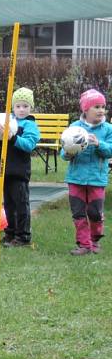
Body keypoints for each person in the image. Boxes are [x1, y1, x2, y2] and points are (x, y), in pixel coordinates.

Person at [0, 87, 40, 247]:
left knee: (20, 204)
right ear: (13, 107)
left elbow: (29, 145)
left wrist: (12, 137)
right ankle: (11, 233)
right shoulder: (6, 120)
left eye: (25, 106)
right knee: (8, 205)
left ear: (31, 107)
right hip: (5, 170)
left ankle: (23, 236)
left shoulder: (30, 125)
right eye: (18, 106)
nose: (21, 109)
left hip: (19, 172)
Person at [60, 88, 112, 256]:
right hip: (76, 178)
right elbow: (65, 151)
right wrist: (69, 152)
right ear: (85, 109)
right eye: (96, 107)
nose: (101, 110)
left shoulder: (107, 129)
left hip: (97, 179)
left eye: (103, 107)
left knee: (95, 213)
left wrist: (99, 144)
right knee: (78, 213)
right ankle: (84, 244)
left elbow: (110, 151)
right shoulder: (75, 127)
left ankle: (95, 239)